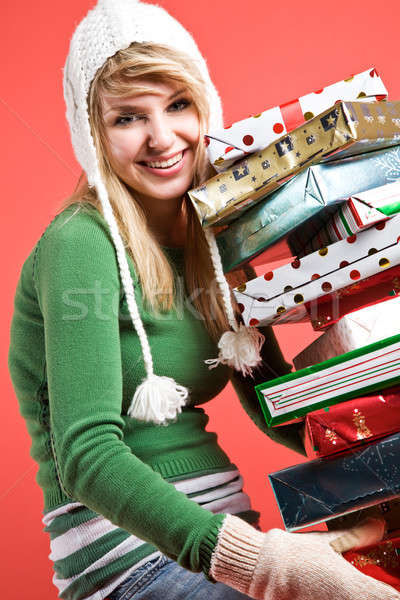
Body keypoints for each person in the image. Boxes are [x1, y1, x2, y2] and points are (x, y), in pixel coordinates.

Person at [7, 1, 400, 599]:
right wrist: (266, 565)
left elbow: (281, 408)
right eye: (128, 118)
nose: (162, 138)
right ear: (92, 134)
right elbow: (85, 458)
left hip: (224, 538)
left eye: (178, 104)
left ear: (204, 105)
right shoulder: (78, 243)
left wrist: (377, 449)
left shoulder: (214, 241)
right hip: (130, 563)